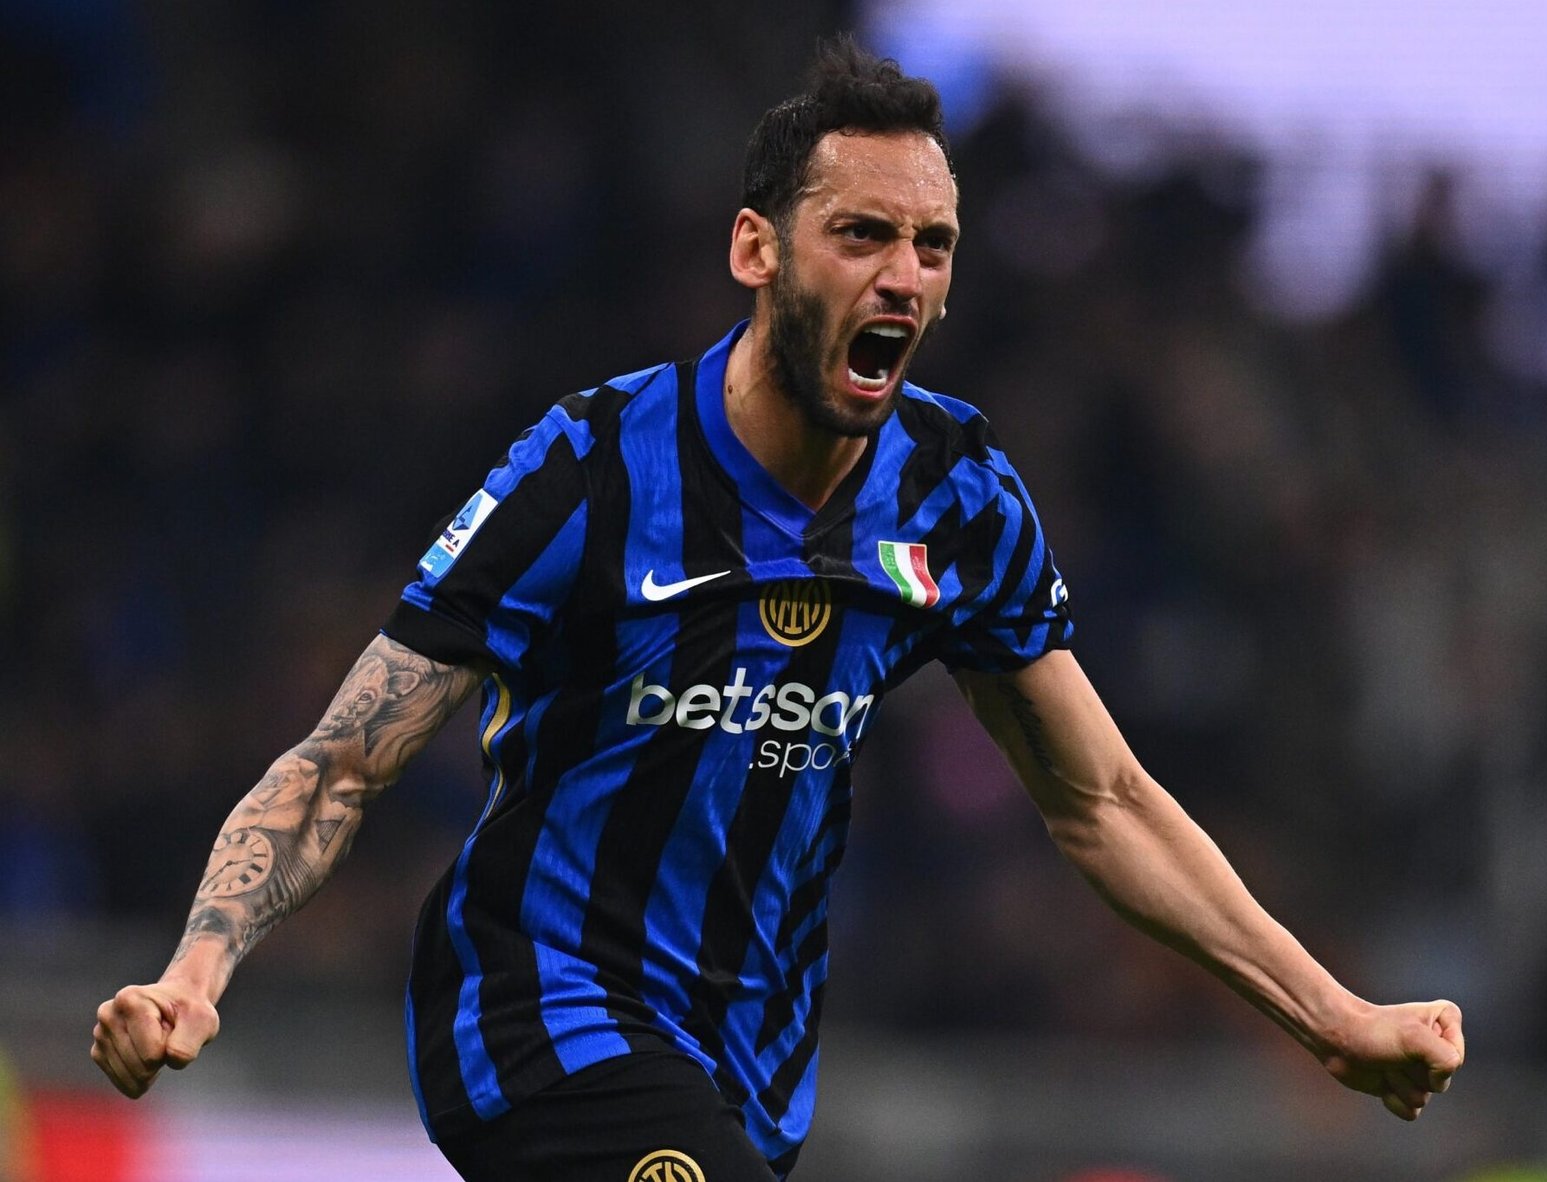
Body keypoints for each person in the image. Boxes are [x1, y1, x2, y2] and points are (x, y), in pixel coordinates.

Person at [91, 36, 1464, 1181]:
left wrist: (1331, 1015)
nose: (903, 275)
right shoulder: (592, 470)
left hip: (749, 1063)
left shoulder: (956, 496)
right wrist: (199, 969)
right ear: (758, 249)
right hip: (539, 1008)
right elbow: (344, 758)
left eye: (932, 245)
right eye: (862, 233)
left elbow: (1102, 801)